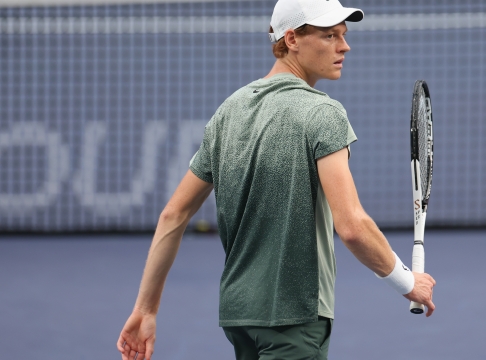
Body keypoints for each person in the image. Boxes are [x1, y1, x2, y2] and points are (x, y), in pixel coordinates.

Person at [117, 1, 436, 359]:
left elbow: (172, 216)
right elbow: (352, 226)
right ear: (292, 39)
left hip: (239, 317)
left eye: (343, 35)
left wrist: (145, 309)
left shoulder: (228, 112)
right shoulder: (323, 113)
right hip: (295, 318)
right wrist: (407, 282)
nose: (344, 46)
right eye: (330, 35)